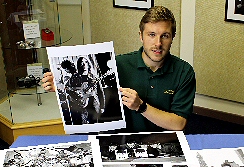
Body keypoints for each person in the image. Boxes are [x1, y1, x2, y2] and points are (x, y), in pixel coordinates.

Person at [42, 6, 196, 132]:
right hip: (120, 141)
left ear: (173, 37)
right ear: (141, 36)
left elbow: (178, 124)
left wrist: (141, 107)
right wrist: (63, 87)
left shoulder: (184, 72)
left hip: (164, 144)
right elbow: (91, 104)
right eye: (152, 35)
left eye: (165, 35)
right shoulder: (117, 64)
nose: (158, 43)